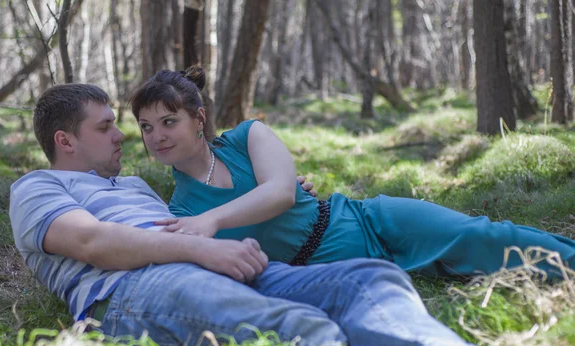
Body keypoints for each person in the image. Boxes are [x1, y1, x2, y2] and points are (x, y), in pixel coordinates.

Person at [9, 82, 575, 346]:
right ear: (65, 140)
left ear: (198, 120)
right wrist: (202, 246)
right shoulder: (36, 186)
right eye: (110, 126)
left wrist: (278, 199)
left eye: (162, 123)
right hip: (140, 288)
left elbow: (248, 211)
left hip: (220, 263)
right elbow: (91, 243)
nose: (133, 138)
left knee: (372, 279)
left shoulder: (138, 186)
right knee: (299, 324)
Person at [130, 67, 575, 278]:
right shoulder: (181, 208)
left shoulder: (250, 136)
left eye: (169, 122)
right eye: (146, 127)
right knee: (464, 272)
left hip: (366, 222)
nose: (157, 136)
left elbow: (283, 192)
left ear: (199, 119)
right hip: (335, 273)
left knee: (482, 237)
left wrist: (214, 220)